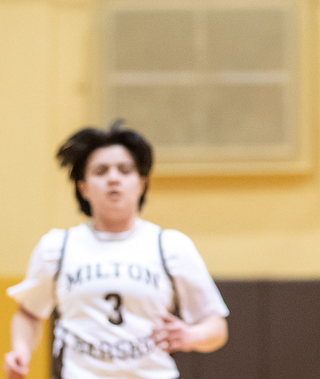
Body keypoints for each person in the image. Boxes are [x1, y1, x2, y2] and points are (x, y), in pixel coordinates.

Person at [4, 121, 229, 379]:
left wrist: (192, 336)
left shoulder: (169, 246)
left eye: (124, 170)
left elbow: (217, 326)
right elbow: (29, 314)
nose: (113, 178)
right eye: (101, 171)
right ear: (83, 187)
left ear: (141, 184)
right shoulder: (58, 247)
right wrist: (21, 351)